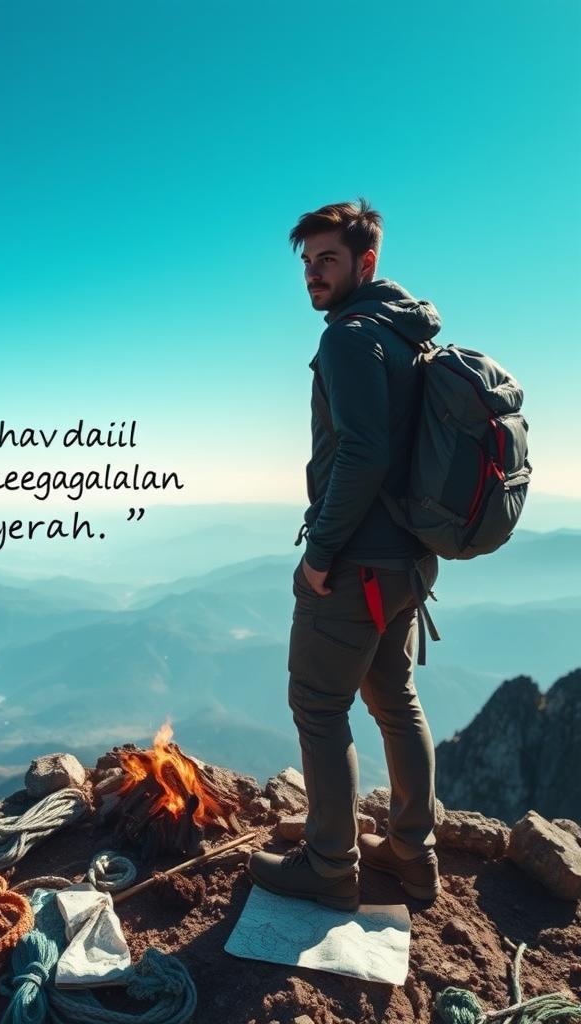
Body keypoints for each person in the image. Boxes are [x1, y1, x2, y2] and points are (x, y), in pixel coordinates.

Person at [248, 199, 443, 911]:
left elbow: (361, 452)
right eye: (306, 263)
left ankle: (331, 866)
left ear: (366, 262)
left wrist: (320, 554)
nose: (311, 275)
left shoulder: (349, 339)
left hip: (356, 562)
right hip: (409, 563)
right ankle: (411, 857)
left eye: (326, 260)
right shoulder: (408, 336)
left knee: (318, 706)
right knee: (395, 699)